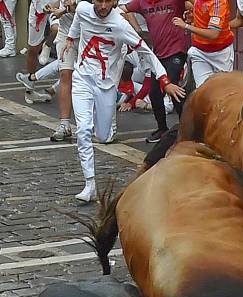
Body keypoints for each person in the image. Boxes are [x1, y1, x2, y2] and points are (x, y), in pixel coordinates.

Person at [62, 0, 185, 202]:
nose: (102, 6)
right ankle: (90, 184)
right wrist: (70, 37)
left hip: (107, 86)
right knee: (83, 130)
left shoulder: (120, 24)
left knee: (102, 136)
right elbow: (78, 18)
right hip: (82, 78)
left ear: (114, 2)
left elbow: (148, 53)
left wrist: (164, 81)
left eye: (106, 1)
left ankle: (105, 125)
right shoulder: (83, 9)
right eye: (98, 1)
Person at [120, 0, 188, 143]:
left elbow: (193, 5)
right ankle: (162, 128)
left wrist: (190, 18)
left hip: (177, 50)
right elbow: (121, 9)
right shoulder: (141, 3)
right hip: (158, 54)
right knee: (155, 92)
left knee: (171, 85)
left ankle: (186, 129)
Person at [17, 0, 78, 141]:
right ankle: (64, 125)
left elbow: (88, 6)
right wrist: (51, 8)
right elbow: (54, 4)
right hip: (65, 31)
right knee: (65, 74)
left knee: (84, 75)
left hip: (87, 32)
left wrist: (66, 9)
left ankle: (100, 123)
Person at [172, 0, 234, 88]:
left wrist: (186, 26)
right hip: (199, 51)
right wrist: (193, 18)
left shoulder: (218, 3)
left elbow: (213, 34)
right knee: (202, 89)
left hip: (220, 53)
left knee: (221, 89)